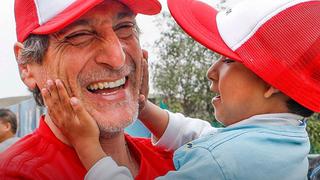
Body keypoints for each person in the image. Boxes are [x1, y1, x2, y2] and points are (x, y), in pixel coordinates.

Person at [39, 0, 320, 179]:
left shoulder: (223, 163)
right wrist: (143, 108)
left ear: (270, 83)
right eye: (79, 35)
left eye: (228, 60)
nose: (211, 72)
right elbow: (201, 135)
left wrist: (87, 146)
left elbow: (216, 151)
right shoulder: (278, 138)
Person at [0, 0, 175, 179]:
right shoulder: (16, 173)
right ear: (26, 66)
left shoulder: (180, 161)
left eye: (124, 27)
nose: (117, 58)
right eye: (80, 35)